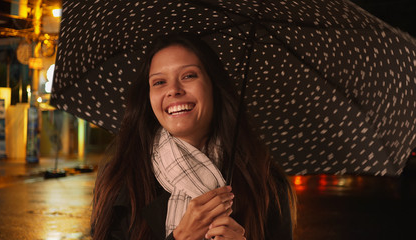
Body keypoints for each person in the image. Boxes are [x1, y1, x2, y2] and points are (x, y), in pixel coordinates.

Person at [91, 33, 297, 240]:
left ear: (214, 87)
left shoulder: (263, 180)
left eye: (189, 76)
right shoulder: (121, 179)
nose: (173, 90)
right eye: (159, 82)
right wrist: (181, 237)